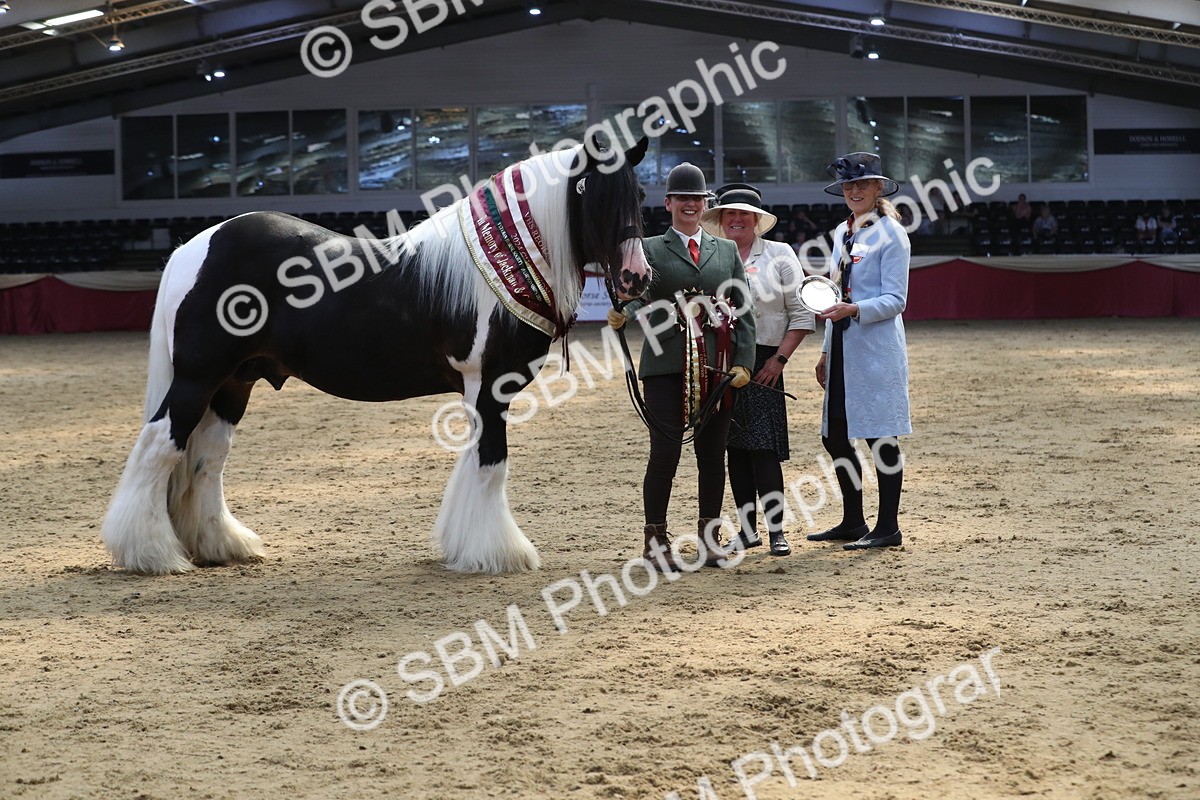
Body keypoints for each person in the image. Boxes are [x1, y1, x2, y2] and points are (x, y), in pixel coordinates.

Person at [607, 163, 756, 571]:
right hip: (666, 364)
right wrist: (626, 310)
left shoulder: (725, 251)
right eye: (683, 198)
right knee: (665, 454)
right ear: (669, 203)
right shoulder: (650, 248)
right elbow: (640, 295)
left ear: (705, 204)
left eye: (698, 199)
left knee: (712, 456)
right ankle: (655, 541)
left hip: (717, 367)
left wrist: (743, 362)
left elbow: (743, 309)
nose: (691, 204)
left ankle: (710, 540)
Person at [699, 184, 815, 557]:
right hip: (721, 360)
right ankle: (748, 530)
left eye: (743, 214)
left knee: (763, 449)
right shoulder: (711, 253)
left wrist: (778, 360)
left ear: (756, 221)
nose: (735, 219)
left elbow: (801, 313)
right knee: (733, 449)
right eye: (728, 214)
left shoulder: (780, 255)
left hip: (766, 359)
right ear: (720, 220)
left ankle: (777, 529)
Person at [806, 152, 911, 551]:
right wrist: (824, 352)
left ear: (877, 188)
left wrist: (856, 310)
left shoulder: (892, 234)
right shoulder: (842, 231)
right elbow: (836, 293)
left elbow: (896, 299)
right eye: (849, 185)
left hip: (876, 348)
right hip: (842, 347)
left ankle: (888, 526)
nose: (854, 191)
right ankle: (853, 519)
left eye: (861, 184)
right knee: (834, 435)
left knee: (881, 436)